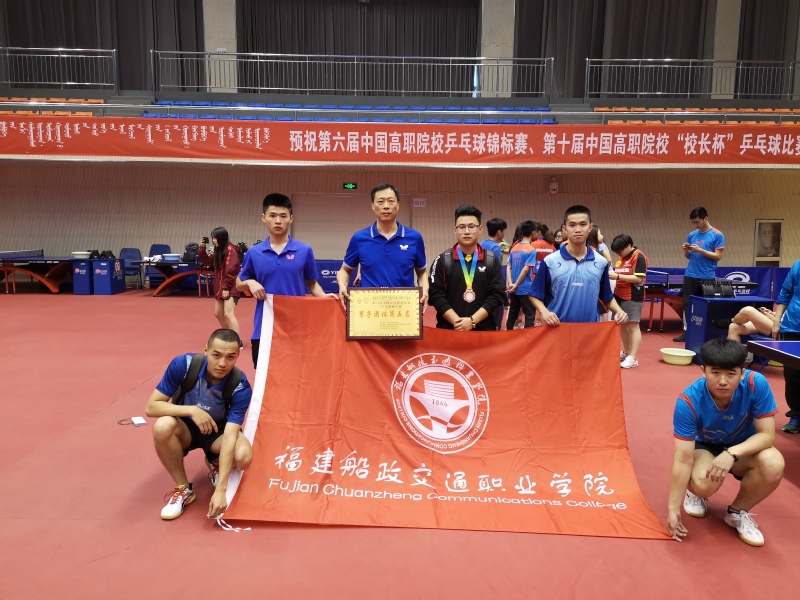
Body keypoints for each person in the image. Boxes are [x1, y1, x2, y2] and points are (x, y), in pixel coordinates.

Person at [667, 339, 783, 547]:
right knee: (703, 484)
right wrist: (672, 509)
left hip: (743, 447)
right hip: (705, 447)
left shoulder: (755, 383)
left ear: (742, 373)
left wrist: (731, 454)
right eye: (715, 372)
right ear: (703, 371)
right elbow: (683, 459)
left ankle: (737, 512)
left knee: (773, 463)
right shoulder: (688, 401)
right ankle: (694, 494)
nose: (723, 381)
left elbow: (767, 436)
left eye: (731, 374)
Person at [145, 329, 254, 521]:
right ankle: (184, 489)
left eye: (230, 357)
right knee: (162, 426)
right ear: (206, 351)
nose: (222, 363)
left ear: (238, 355)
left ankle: (214, 462)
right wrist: (192, 410)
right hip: (184, 427)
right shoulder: (183, 365)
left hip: (217, 432)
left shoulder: (240, 385)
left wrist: (220, 490)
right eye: (216, 355)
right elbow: (152, 407)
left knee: (243, 456)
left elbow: (230, 435)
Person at [236, 193, 329, 368]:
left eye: (283, 216)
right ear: (264, 217)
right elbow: (238, 283)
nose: (278, 221)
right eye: (272, 216)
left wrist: (327, 300)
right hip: (264, 329)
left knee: (296, 377)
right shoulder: (254, 253)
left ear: (291, 218)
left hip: (297, 329)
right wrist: (249, 282)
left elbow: (312, 284)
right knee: (265, 379)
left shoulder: (304, 250)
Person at [530, 205, 628, 326]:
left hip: (588, 330)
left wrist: (619, 311)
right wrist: (544, 312)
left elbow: (606, 297)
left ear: (590, 227)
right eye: (572, 225)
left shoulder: (601, 262)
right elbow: (534, 294)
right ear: (565, 229)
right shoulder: (550, 261)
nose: (577, 229)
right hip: (556, 329)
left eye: (583, 224)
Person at [336, 183, 428, 310]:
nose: (386, 206)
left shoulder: (415, 238)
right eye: (380, 202)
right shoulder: (359, 238)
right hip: (369, 309)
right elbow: (345, 270)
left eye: (391, 201)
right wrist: (342, 285)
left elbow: (422, 272)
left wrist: (425, 289)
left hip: (403, 309)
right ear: (373, 206)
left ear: (398, 205)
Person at [428, 205, 505, 331]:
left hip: (483, 331)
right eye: (462, 227)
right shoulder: (442, 260)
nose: (467, 231)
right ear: (455, 230)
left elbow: (497, 294)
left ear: (480, 229)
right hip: (449, 330)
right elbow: (435, 295)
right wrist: (459, 323)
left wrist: (472, 321)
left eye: (471, 226)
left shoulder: (491, 260)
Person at [674, 207, 725, 343]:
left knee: (706, 305)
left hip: (707, 276)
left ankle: (706, 333)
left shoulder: (717, 235)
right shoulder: (692, 235)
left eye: (697, 222)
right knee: (687, 305)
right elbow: (689, 256)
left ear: (705, 218)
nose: (695, 225)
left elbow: (718, 256)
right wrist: (686, 250)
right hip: (690, 275)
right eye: (693, 222)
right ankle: (688, 332)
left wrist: (700, 250)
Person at [609, 235, 648, 369]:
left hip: (633, 295)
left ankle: (633, 357)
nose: (618, 254)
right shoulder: (621, 257)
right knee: (622, 325)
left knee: (633, 326)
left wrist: (617, 276)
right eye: (617, 252)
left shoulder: (639, 257)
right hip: (619, 294)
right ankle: (626, 352)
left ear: (629, 246)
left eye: (620, 251)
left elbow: (639, 279)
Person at [198, 227, 241, 342]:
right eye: (212, 238)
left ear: (222, 237)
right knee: (218, 314)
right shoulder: (219, 250)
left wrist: (226, 287)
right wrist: (202, 248)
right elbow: (207, 261)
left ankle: (237, 340)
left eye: (215, 238)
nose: (213, 240)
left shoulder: (231, 250)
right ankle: (229, 336)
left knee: (229, 314)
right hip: (220, 287)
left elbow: (231, 269)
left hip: (230, 287)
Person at [772, 259, 800, 433]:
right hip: (792, 327)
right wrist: (777, 321)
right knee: (792, 375)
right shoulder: (798, 265)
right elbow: (786, 293)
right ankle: (796, 414)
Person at [505, 220, 538, 329]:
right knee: (530, 315)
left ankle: (508, 334)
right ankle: (528, 337)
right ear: (533, 233)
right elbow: (525, 269)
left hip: (513, 289)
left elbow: (508, 266)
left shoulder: (514, 248)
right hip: (525, 288)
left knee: (512, 314)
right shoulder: (531, 250)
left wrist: (511, 284)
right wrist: (516, 285)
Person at [480, 217, 509, 329]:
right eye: (504, 231)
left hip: (481, 282)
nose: (504, 233)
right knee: (496, 312)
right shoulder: (496, 248)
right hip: (493, 284)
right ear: (499, 232)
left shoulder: (481, 244)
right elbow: (494, 269)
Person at [710, 306, 775, 343]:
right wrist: (772, 313)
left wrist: (773, 318)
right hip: (773, 323)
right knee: (734, 327)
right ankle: (733, 361)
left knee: (748, 310)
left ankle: (731, 321)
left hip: (779, 329)